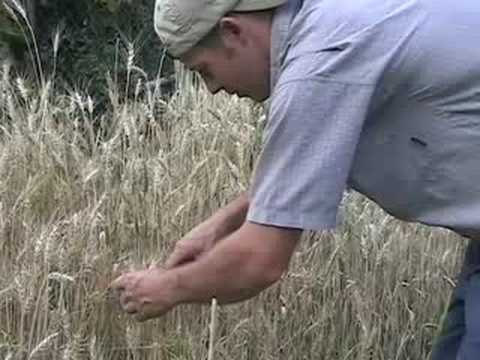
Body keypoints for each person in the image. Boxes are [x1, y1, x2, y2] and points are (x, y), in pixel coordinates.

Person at [110, 0, 480, 358]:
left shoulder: (322, 63)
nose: (212, 88)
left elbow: (260, 261)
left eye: (205, 70)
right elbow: (313, 156)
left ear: (233, 31)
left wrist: (167, 288)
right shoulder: (334, 22)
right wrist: (221, 225)